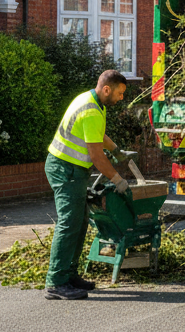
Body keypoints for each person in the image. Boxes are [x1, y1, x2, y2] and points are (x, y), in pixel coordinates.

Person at [43, 70, 130, 300]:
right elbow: (96, 157)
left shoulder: (93, 101)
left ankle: (69, 275)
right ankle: (56, 281)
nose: (121, 98)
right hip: (66, 170)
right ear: (107, 89)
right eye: (119, 93)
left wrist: (116, 150)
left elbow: (97, 135)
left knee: (79, 223)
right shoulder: (91, 109)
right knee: (69, 223)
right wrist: (118, 180)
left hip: (72, 169)